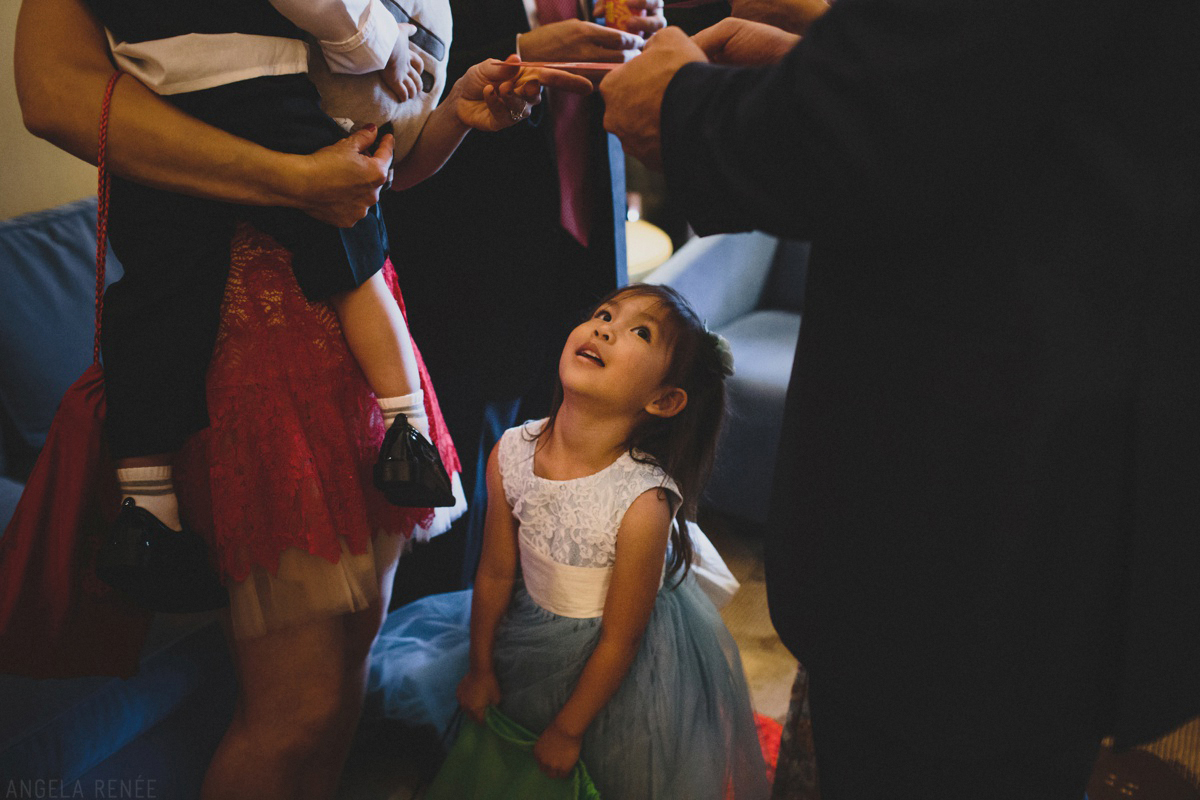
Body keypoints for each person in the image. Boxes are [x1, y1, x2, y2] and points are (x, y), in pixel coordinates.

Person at [599, 5, 1200, 798]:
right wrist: (828, 61)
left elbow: (864, 131)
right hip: (1057, 454)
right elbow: (1001, 86)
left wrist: (681, 104)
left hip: (977, 512)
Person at [14, 0, 593, 796]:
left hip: (358, 346)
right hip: (246, 342)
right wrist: (293, 179)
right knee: (299, 705)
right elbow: (53, 96)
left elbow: (371, 165)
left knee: (348, 665)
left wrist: (450, 111)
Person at [85, 0, 481, 555]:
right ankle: (407, 433)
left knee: (155, 295)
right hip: (248, 74)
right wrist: (384, 41)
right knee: (350, 251)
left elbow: (400, 165)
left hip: (149, 98)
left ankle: (146, 511)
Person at [370, 284, 769, 798]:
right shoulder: (511, 453)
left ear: (664, 400)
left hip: (613, 665)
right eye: (605, 314)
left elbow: (622, 639)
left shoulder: (642, 503)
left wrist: (568, 728)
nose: (604, 327)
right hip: (524, 630)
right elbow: (493, 572)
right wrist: (480, 665)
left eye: (639, 332)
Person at [382, 0, 666, 603]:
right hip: (469, 251)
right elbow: (381, 65)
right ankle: (449, 663)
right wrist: (521, 46)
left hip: (586, 246)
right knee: (462, 502)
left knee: (566, 486)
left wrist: (643, 48)